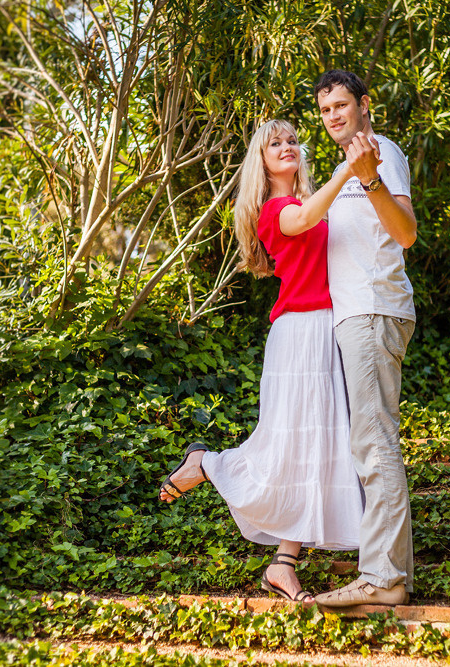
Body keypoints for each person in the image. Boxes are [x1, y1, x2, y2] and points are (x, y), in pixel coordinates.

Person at [158, 119, 364, 604]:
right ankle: (207, 464)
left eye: (292, 140)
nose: (287, 146)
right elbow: (303, 220)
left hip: (325, 330)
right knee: (284, 448)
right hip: (299, 334)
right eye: (276, 143)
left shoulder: (309, 201)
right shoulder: (275, 210)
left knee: (314, 453)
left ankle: (283, 565)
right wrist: (347, 171)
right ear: (263, 160)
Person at [310, 70, 418, 608]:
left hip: (374, 310)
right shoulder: (342, 170)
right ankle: (390, 573)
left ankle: (384, 577)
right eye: (325, 109)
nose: (334, 116)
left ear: (364, 104)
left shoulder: (382, 153)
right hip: (354, 315)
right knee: (370, 439)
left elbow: (406, 233)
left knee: (374, 442)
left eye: (341, 105)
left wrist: (370, 178)